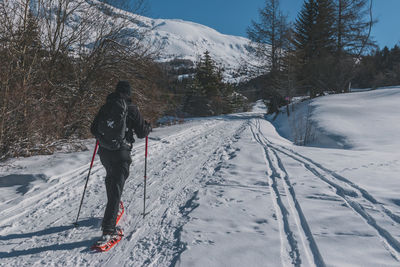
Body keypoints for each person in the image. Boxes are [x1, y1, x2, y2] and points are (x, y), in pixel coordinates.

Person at [91, 80, 150, 238]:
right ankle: (108, 230)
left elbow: (93, 129)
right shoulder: (132, 108)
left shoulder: (106, 106)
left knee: (111, 179)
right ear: (128, 93)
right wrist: (147, 127)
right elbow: (142, 133)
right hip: (121, 153)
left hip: (104, 152)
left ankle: (113, 208)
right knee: (116, 188)